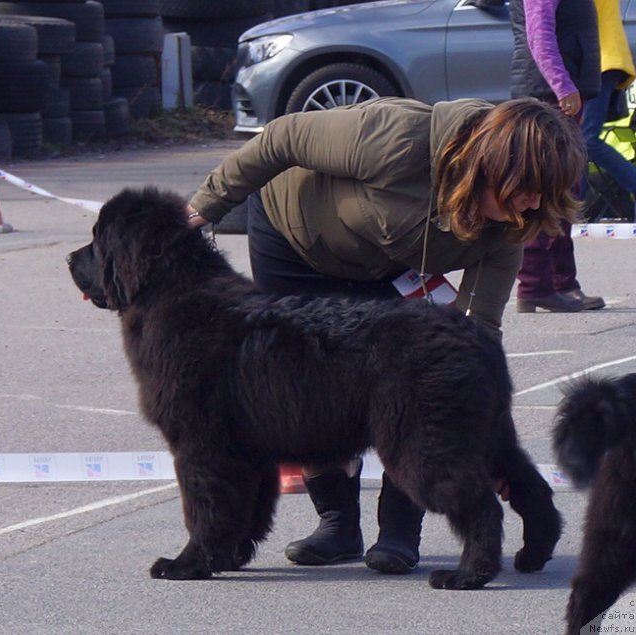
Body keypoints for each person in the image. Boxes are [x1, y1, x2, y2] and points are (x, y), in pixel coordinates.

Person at [186, 96, 586, 573]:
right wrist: (202, 210)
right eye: (527, 190)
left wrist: (480, 435)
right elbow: (279, 140)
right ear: (491, 166)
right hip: (297, 239)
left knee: (412, 391)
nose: (534, 204)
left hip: (388, 263)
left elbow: (474, 338)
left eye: (545, 193)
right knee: (308, 390)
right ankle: (337, 524)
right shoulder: (395, 138)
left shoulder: (511, 227)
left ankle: (399, 531)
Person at [510, 0, 605, 312]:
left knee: (561, 190)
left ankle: (561, 283)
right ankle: (536, 285)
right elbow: (540, 35)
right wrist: (563, 86)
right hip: (549, 96)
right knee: (546, 189)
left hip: (554, 94)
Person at [582, 0, 636, 197]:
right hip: (602, 58)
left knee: (585, 140)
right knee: (578, 140)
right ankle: (574, 205)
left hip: (602, 59)